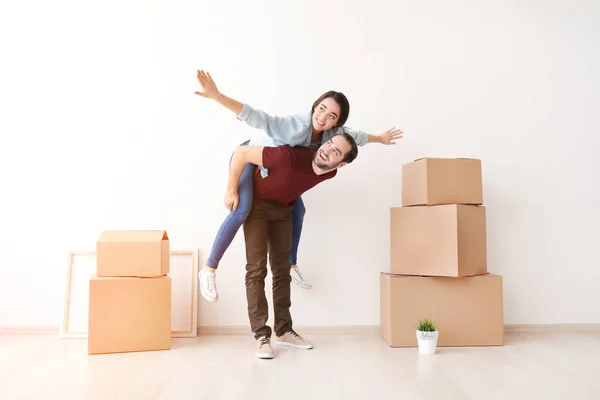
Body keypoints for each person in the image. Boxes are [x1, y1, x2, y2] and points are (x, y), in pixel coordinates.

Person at [195, 69, 403, 302]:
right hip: (249, 157)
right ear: (315, 106)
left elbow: (357, 137)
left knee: (299, 209)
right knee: (241, 209)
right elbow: (257, 117)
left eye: (332, 116)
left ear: (337, 122)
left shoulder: (331, 135)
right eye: (321, 109)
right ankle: (209, 269)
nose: (323, 117)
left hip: (272, 167)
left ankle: (291, 264)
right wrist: (217, 96)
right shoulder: (294, 125)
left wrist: (380, 138)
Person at [224, 132, 359, 359]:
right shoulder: (287, 156)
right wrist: (232, 190)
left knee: (282, 271)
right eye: (329, 143)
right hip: (256, 206)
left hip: (283, 210)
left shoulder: (330, 172)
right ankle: (261, 336)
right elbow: (242, 152)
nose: (327, 150)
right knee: (256, 269)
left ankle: (284, 330)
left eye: (335, 151)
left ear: (341, 163)